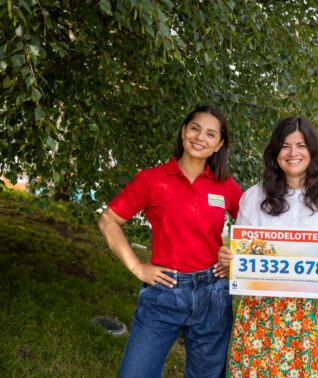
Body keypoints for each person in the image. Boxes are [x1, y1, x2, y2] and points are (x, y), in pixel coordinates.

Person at [217, 116, 318, 377]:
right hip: (264, 314)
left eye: (300, 145)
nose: (292, 153)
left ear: (312, 151)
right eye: (285, 145)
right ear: (275, 152)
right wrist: (230, 257)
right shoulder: (254, 197)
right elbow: (243, 254)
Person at [98, 105, 242, 378]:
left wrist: (233, 256)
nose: (200, 137)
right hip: (164, 291)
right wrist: (137, 267)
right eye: (195, 128)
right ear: (183, 131)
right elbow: (108, 221)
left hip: (213, 293)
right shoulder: (152, 179)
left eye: (211, 134)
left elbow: (256, 227)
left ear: (219, 145)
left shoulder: (224, 185)